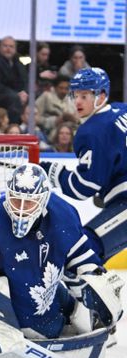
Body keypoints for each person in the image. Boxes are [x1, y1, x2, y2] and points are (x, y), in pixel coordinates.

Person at [0, 163, 122, 358]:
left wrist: (99, 287)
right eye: (17, 201)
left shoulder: (62, 215)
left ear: (44, 200)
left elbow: (84, 259)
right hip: (20, 316)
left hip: (52, 297)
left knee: (92, 302)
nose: (22, 210)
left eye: (30, 203)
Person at [39, 68, 127, 262]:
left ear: (102, 95)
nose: (78, 101)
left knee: (83, 251)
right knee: (92, 254)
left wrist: (53, 171)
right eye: (75, 95)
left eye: (85, 96)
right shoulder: (122, 109)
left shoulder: (92, 131)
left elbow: (83, 188)